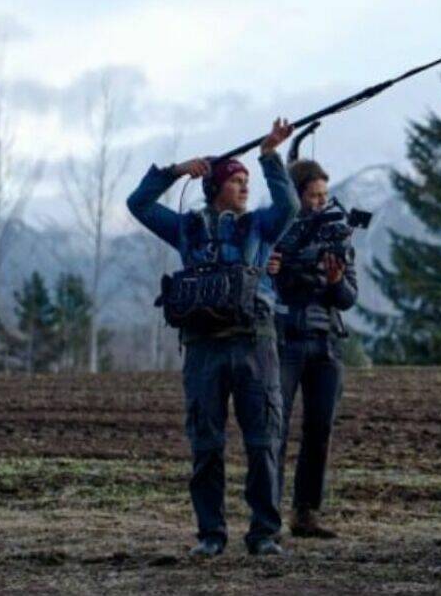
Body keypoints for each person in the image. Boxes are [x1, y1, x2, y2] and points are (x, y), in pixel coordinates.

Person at [126, 118, 298, 558]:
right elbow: (139, 204)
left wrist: (269, 157)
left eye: (246, 181)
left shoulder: (260, 226)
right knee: (207, 446)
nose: (244, 187)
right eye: (236, 180)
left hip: (255, 347)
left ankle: (263, 534)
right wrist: (177, 170)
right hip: (203, 350)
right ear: (215, 187)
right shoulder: (187, 229)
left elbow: (290, 208)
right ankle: (210, 535)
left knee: (262, 443)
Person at [267, 158, 359, 540]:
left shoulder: (338, 235)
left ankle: (306, 513)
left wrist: (335, 281)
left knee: (320, 428)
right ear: (298, 196)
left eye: (325, 195)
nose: (321, 202)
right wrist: (278, 270)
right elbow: (265, 289)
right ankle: (267, 516)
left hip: (326, 344)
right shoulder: (277, 230)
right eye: (313, 196)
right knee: (277, 427)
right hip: (286, 340)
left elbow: (349, 297)